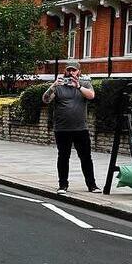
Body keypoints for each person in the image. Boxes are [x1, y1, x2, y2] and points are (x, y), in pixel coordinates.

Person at [42, 64, 100, 194]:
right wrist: (53, 86)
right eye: (68, 70)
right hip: (62, 129)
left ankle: (92, 185)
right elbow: (46, 99)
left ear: (79, 71)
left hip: (81, 128)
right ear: (65, 71)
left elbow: (91, 96)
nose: (71, 72)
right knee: (63, 157)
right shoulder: (59, 86)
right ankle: (63, 185)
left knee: (86, 157)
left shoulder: (84, 84)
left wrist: (78, 86)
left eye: (74, 70)